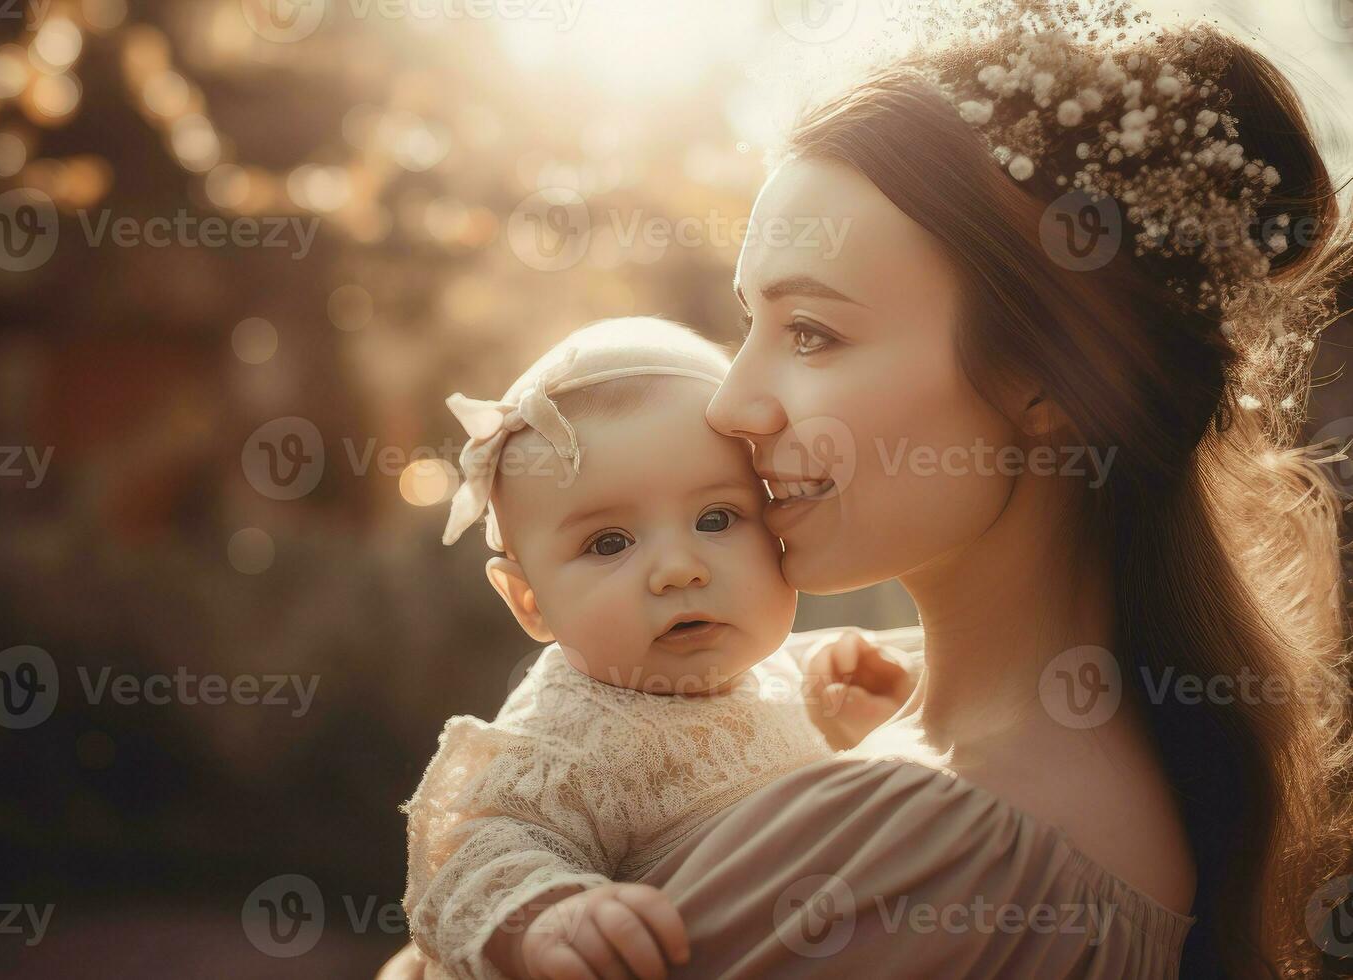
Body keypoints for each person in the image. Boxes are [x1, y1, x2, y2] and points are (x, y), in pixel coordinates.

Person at [384, 2, 1353, 975]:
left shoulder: (939, 842)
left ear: (1047, 381)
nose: (734, 403)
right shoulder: (849, 699)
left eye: (811, 331)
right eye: (747, 324)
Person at [402, 318, 915, 980]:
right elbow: (473, 850)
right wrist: (548, 915)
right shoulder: (567, 736)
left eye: (716, 519)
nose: (678, 569)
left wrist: (847, 729)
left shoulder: (784, 677)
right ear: (529, 601)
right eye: (609, 543)